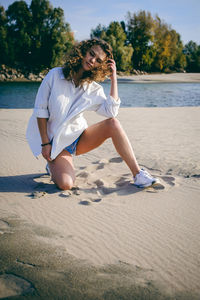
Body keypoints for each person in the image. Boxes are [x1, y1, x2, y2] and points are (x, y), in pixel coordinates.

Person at [26, 38, 158, 190]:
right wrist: (45, 143)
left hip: (78, 139)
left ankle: (138, 174)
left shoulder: (93, 89)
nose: (92, 60)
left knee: (113, 123)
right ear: (83, 51)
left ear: (100, 65)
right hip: (54, 144)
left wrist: (114, 77)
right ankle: (53, 167)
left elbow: (111, 111)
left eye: (98, 60)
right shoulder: (55, 75)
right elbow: (40, 111)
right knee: (66, 184)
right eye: (91, 54)